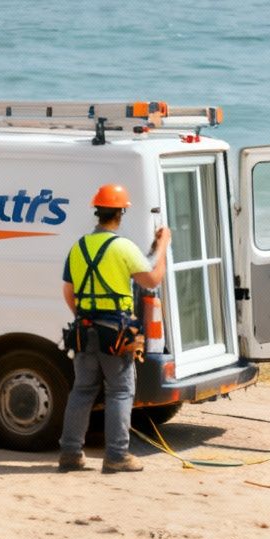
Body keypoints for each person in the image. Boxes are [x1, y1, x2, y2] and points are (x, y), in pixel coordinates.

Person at [57, 183, 170, 474]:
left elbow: (68, 293)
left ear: (98, 211)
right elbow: (152, 279)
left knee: (82, 391)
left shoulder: (79, 247)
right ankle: (117, 455)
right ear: (120, 213)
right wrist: (164, 246)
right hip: (116, 333)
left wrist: (86, 317)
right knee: (120, 391)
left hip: (83, 329)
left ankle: (70, 454)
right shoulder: (122, 247)